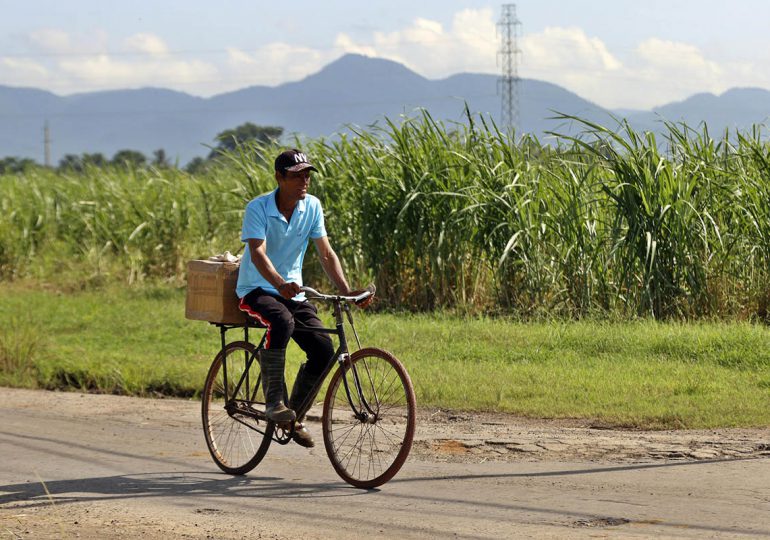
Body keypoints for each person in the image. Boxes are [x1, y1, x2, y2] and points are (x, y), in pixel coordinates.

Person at [235, 148, 372, 448]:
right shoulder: (258, 208)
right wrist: (279, 283)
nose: (304, 181)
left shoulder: (311, 207)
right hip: (257, 289)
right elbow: (257, 253)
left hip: (293, 293)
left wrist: (347, 290)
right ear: (279, 177)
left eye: (307, 175)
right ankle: (274, 402)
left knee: (324, 350)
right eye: (297, 176)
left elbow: (326, 253)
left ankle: (291, 416)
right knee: (281, 322)